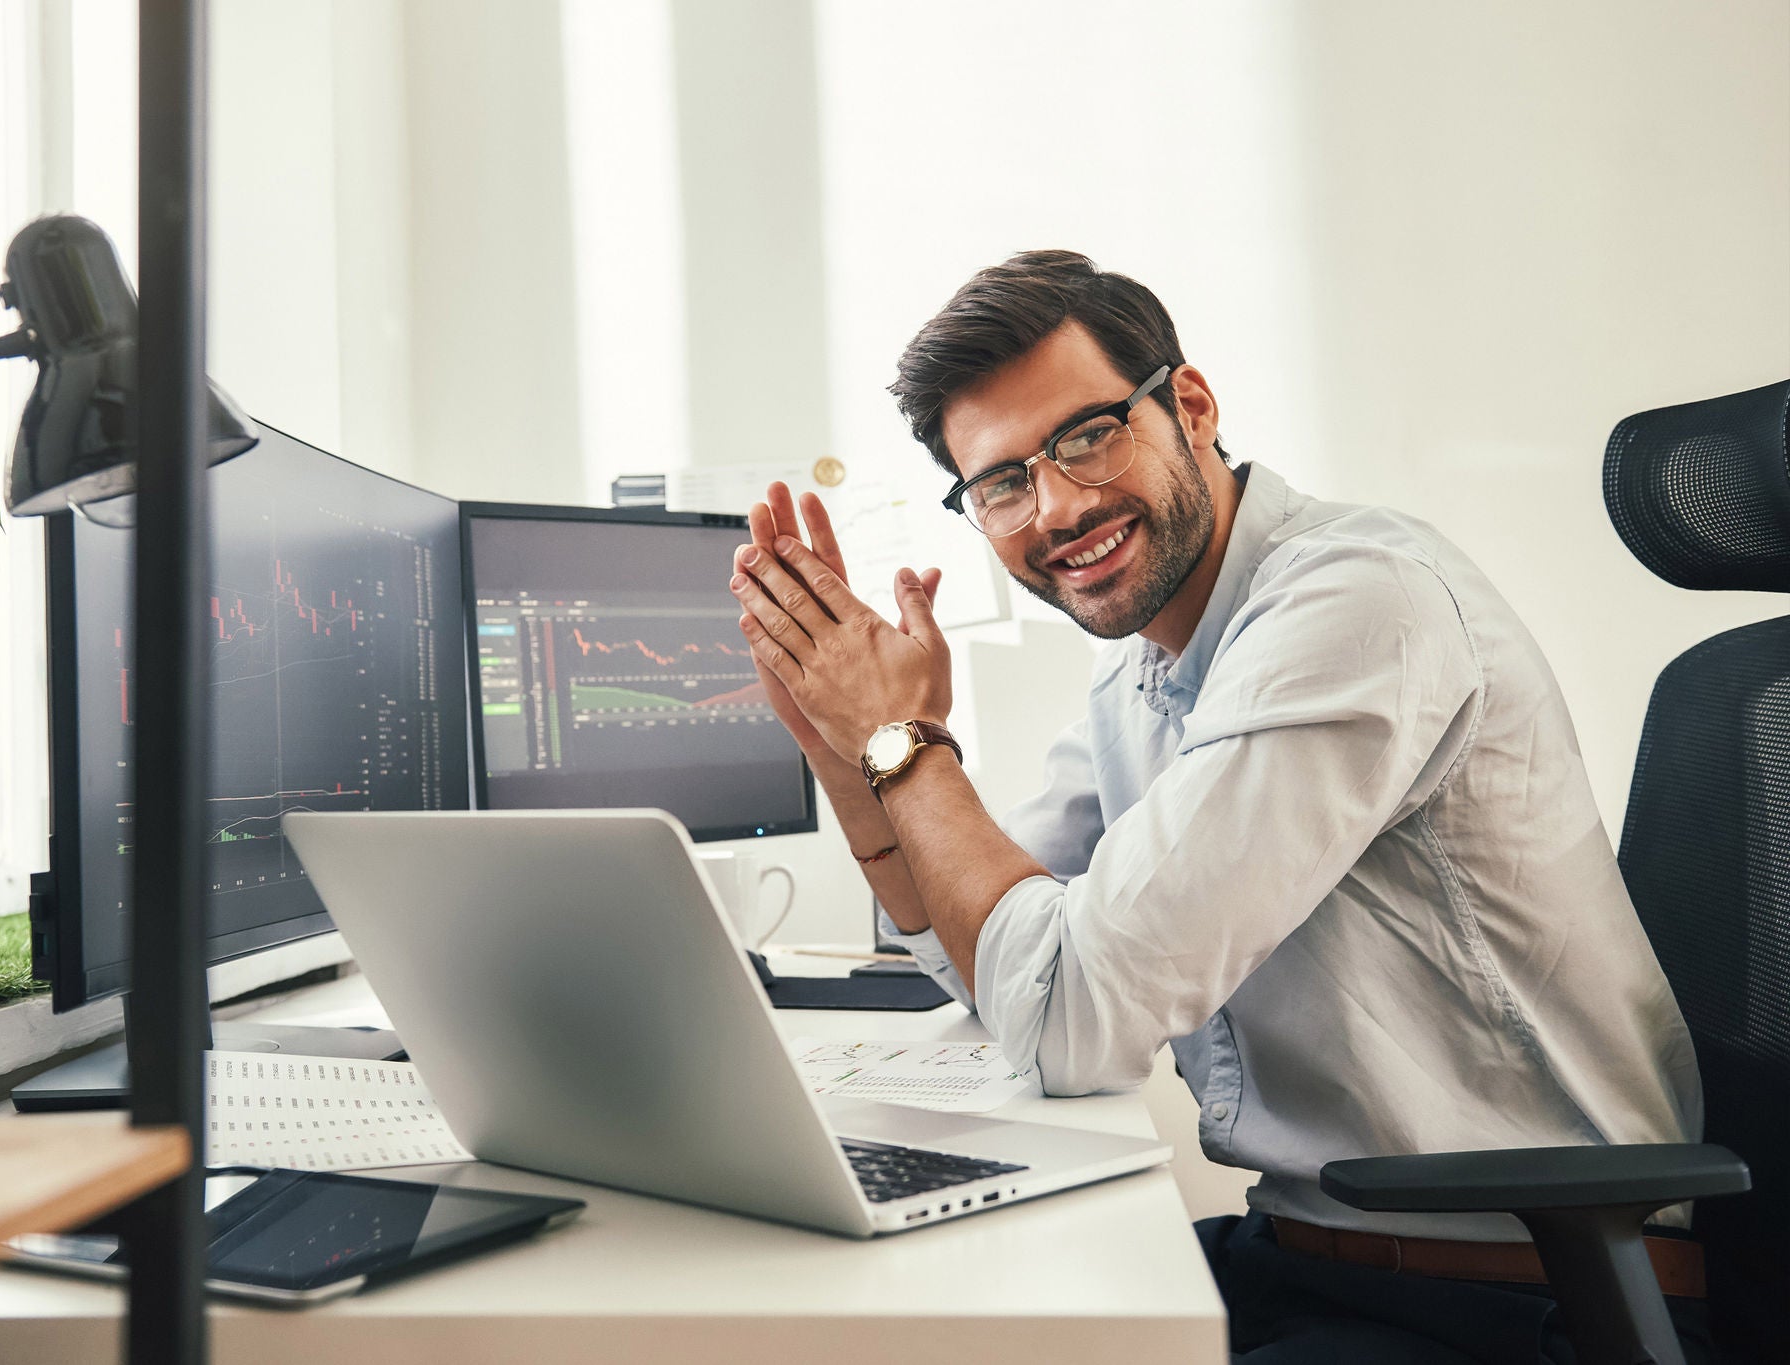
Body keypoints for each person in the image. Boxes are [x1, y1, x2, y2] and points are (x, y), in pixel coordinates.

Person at [727, 250, 1706, 1363]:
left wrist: (908, 749)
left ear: (1187, 405)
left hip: (1528, 1305)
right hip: (1310, 1265)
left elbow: (1068, 1025)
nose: (1053, 508)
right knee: (933, 1326)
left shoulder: (1354, 603)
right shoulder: (1142, 667)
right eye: (1001, 483)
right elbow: (987, 971)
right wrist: (855, 760)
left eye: (1086, 435)